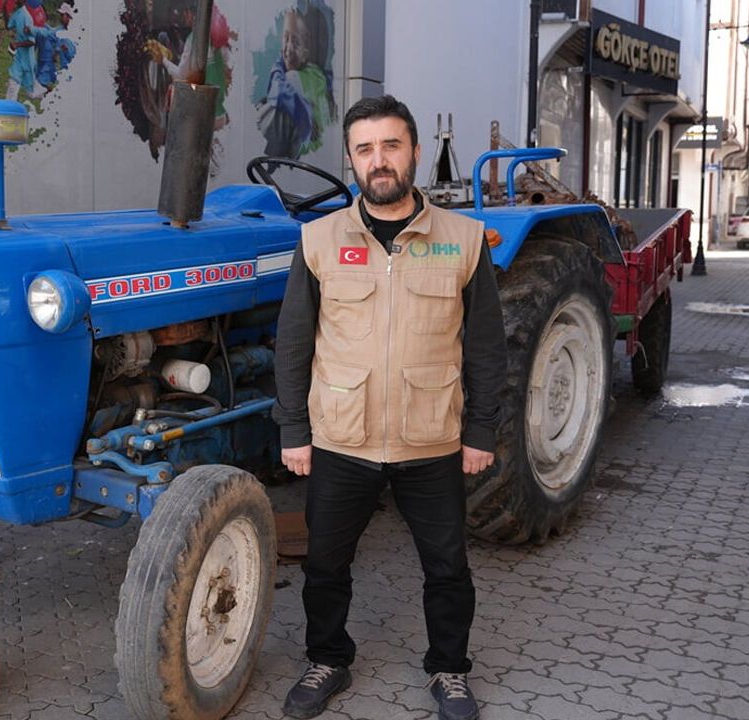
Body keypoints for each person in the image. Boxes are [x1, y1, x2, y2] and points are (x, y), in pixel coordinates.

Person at [273, 95, 507, 720]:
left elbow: (486, 345)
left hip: (431, 438)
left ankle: (449, 669)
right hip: (341, 437)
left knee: (448, 566)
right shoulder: (319, 240)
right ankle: (328, 659)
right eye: (365, 149)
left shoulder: (462, 240)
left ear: (415, 153)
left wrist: (481, 430)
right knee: (325, 563)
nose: (379, 160)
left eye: (391, 146)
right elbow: (294, 341)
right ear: (351, 160)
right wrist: (294, 429)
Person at [257, 8, 335, 158]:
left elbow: (278, 93)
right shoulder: (319, 76)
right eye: (285, 38)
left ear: (306, 53)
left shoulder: (292, 78)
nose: (289, 48)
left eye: (296, 42)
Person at [6, 0, 50, 101]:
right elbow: (8, 25)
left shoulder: (26, 17)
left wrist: (17, 44)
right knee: (13, 83)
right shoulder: (17, 13)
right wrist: (5, 9)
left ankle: (48, 94)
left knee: (31, 93)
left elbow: (32, 42)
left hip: (28, 61)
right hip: (19, 58)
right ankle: (9, 106)